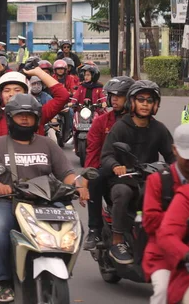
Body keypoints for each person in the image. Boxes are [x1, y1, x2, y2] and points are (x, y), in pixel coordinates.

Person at [0, 94, 86, 302]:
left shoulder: (48, 144)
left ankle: (61, 262)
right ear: (10, 119)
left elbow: (67, 173)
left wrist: (78, 186)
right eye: (19, 116)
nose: (25, 119)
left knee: (76, 226)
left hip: (44, 202)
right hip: (6, 201)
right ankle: (2, 281)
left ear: (37, 119)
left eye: (29, 115)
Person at [0, 46, 69, 262]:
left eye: (17, 90)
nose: (11, 94)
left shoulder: (34, 116)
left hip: (35, 187)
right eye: (7, 90)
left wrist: (38, 72)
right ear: (0, 94)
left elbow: (62, 96)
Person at [101, 80, 176, 265]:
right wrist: (115, 166)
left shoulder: (159, 129)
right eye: (140, 99)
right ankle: (117, 241)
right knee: (122, 192)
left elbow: (171, 156)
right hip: (124, 179)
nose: (145, 104)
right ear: (132, 102)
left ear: (155, 105)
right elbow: (107, 155)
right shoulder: (120, 127)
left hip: (150, 180)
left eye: (149, 100)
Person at [83, 76, 135, 250]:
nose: (114, 99)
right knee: (95, 178)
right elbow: (92, 152)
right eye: (112, 95)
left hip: (136, 172)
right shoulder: (101, 121)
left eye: (119, 95)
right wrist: (86, 179)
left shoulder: (141, 121)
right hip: (109, 171)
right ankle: (94, 229)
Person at [142, 124, 189, 304]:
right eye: (187, 157)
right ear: (175, 150)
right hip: (162, 254)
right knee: (163, 292)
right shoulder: (158, 181)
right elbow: (150, 222)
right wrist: (179, 218)